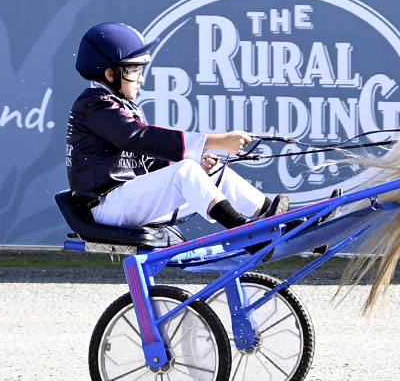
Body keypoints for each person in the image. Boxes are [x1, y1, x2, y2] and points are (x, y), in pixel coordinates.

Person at [66, 22, 289, 232]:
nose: (141, 79)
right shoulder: (95, 103)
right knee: (185, 172)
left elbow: (148, 159)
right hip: (106, 206)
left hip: (126, 201)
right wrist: (216, 141)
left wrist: (194, 162)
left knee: (215, 172)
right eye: (135, 71)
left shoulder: (118, 104)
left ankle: (287, 222)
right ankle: (244, 229)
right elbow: (138, 138)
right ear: (110, 74)